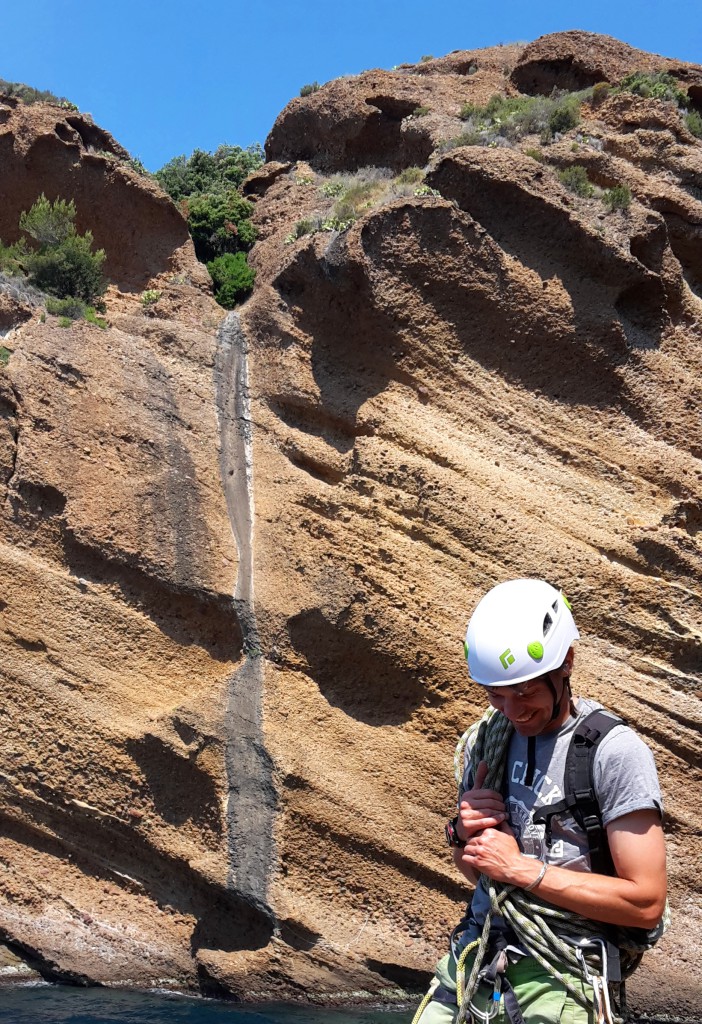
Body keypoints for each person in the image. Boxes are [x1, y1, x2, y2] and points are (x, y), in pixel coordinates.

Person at [414, 579, 667, 1024]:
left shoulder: (613, 753)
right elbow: (479, 873)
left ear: (566, 662)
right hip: (477, 956)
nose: (511, 710)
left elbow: (646, 903)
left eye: (525, 692)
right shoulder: (487, 741)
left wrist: (521, 869)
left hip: (564, 973)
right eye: (496, 694)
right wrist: (464, 832)